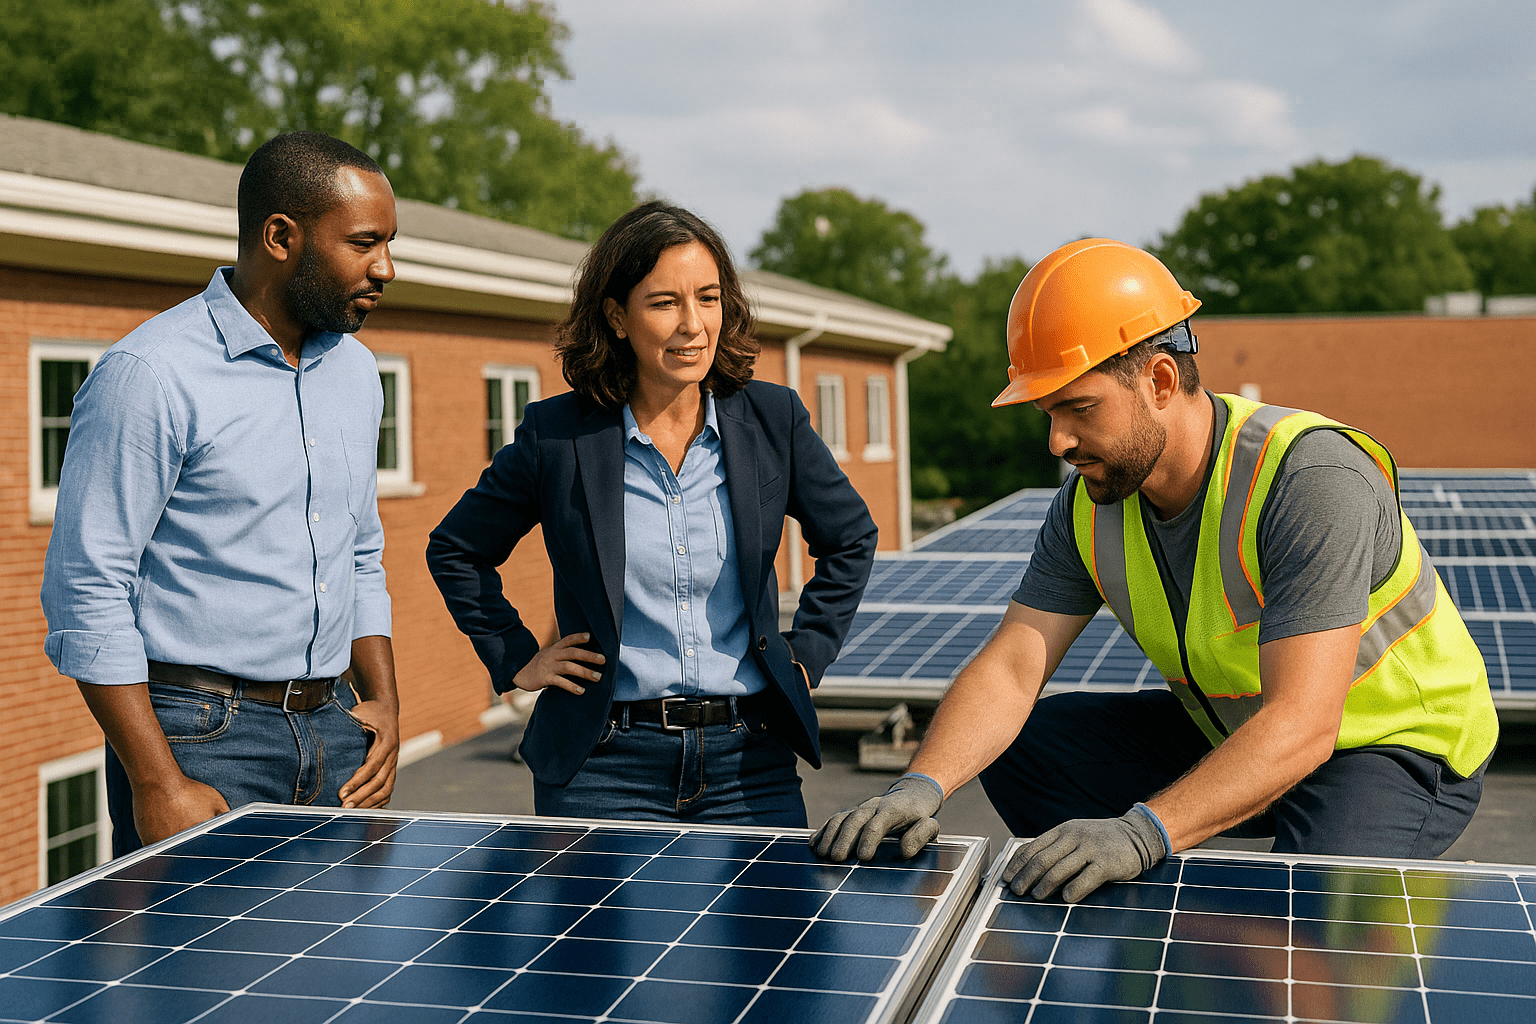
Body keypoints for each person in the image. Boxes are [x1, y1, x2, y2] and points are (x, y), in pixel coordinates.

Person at [814, 238, 1499, 900]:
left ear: (1161, 379)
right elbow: (1012, 668)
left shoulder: (1308, 478)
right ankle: (1155, 910)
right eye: (1048, 413)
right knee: (1029, 746)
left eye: (1079, 408)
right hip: (1239, 730)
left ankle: (1218, 914)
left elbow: (1304, 724)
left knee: (1313, 902)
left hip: (1392, 747)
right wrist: (920, 785)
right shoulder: (1089, 504)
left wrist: (1142, 834)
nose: (1058, 440)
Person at [427, 201, 876, 825]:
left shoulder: (775, 421)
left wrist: (808, 651)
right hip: (602, 764)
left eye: (709, 298)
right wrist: (516, 654)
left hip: (751, 763)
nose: (693, 324)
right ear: (617, 317)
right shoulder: (557, 436)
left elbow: (851, 537)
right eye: (664, 302)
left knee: (772, 925)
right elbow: (456, 548)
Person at [41, 131, 402, 855]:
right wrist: (155, 780)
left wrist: (385, 700)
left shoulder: (359, 374)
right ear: (280, 236)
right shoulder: (150, 375)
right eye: (364, 243)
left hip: (337, 725)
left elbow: (358, 550)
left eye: (389, 243)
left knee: (339, 965)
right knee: (206, 969)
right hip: (201, 740)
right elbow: (88, 587)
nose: (386, 268)